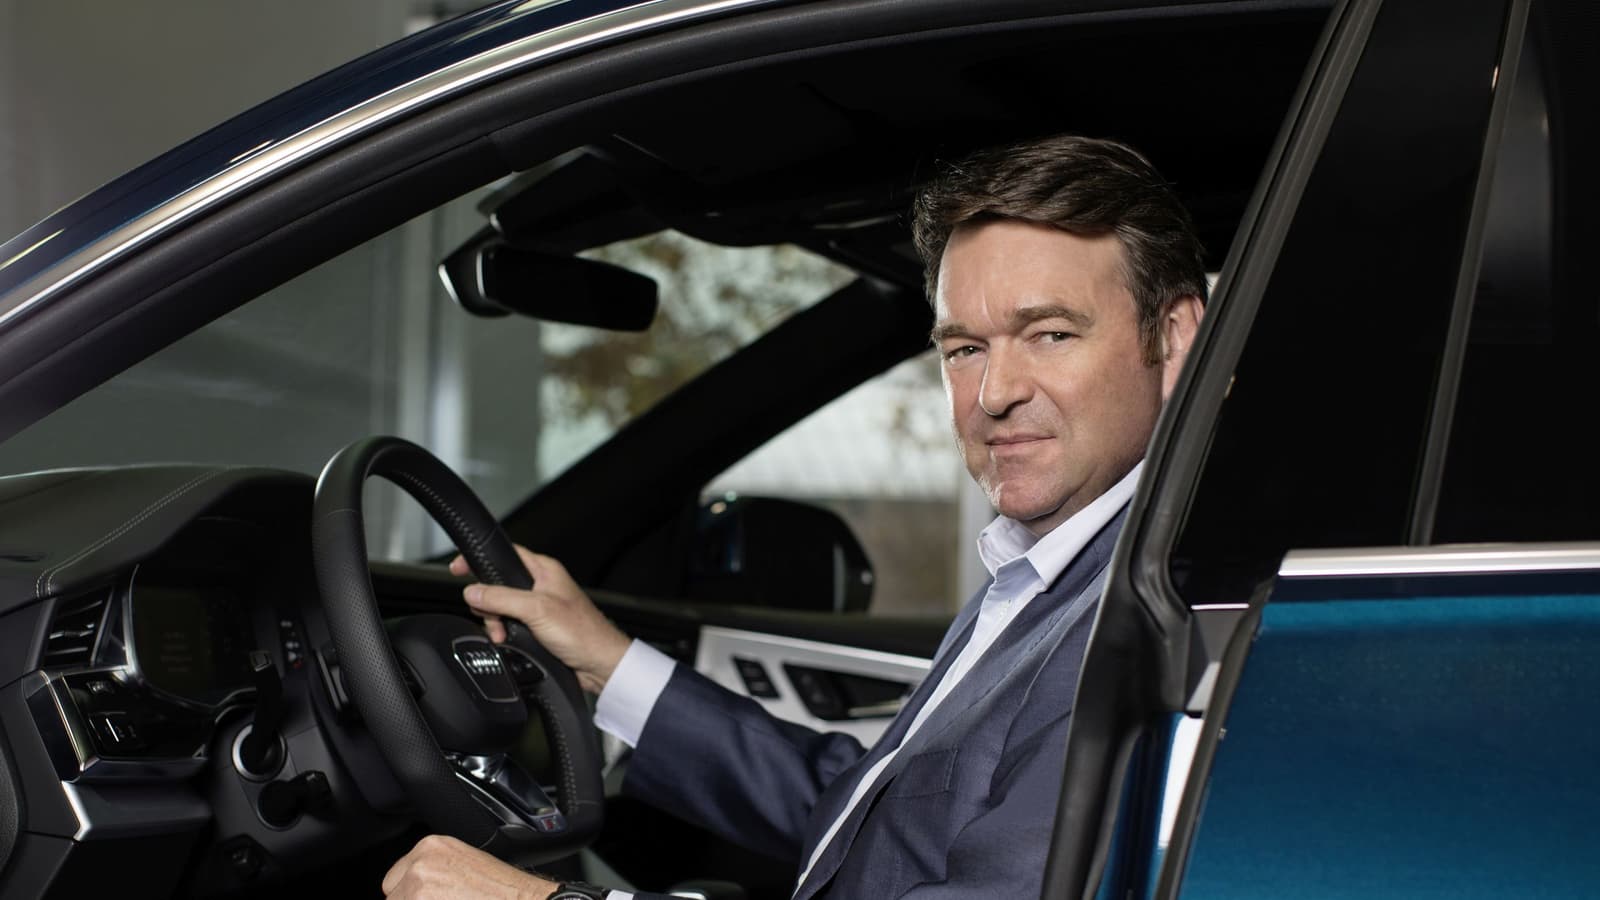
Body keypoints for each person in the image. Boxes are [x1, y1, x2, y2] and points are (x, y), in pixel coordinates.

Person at [381, 134, 1207, 900]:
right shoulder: (1053, 568)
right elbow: (864, 819)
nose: (994, 393)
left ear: (1173, 340)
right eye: (964, 349)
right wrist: (608, 662)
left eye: (1050, 334)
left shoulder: (1151, 615)